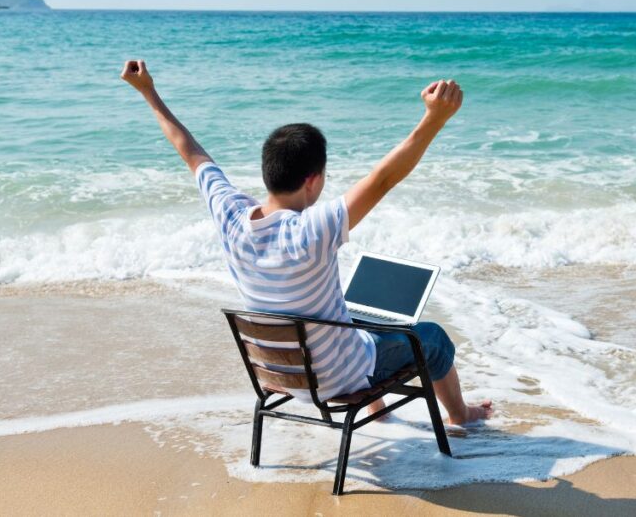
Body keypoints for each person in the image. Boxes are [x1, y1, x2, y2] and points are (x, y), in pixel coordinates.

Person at [121, 59, 492, 425]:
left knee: (351, 315)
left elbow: (190, 151)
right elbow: (383, 179)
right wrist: (435, 119)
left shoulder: (230, 217)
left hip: (279, 372)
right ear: (313, 180)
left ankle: (377, 413)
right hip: (336, 379)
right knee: (432, 336)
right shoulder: (313, 230)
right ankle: (462, 416)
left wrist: (148, 92)